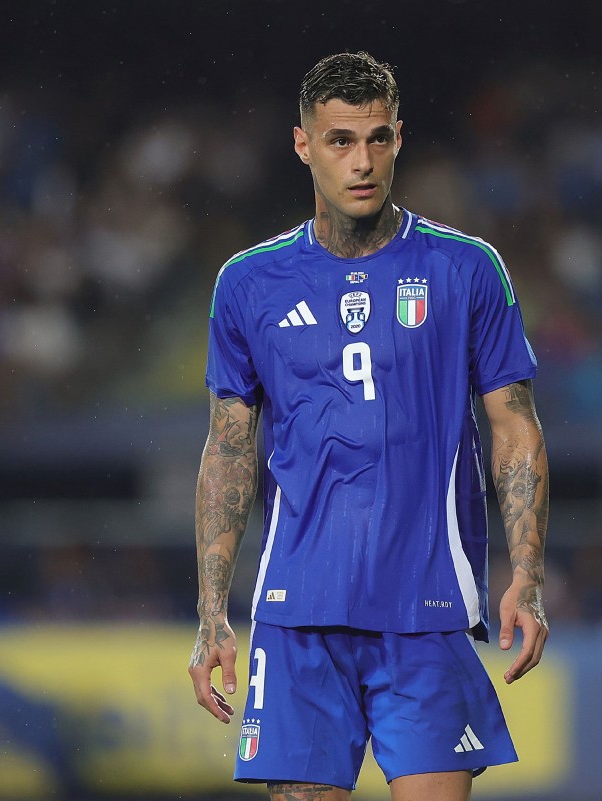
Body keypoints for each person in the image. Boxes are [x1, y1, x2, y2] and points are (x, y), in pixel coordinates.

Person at [188, 51, 550, 801]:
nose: (362, 161)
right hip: (298, 612)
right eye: (340, 140)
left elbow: (514, 426)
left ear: (399, 139)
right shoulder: (248, 282)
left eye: (378, 139)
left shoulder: (466, 268)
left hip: (425, 606)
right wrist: (211, 611)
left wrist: (529, 574)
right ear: (302, 144)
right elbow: (228, 447)